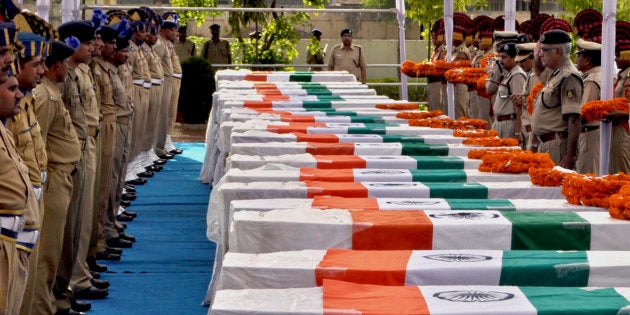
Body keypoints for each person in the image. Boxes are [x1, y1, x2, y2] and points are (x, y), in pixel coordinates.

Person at [531, 29, 583, 169]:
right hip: (548, 144)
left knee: (554, 190)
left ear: (558, 51)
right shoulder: (556, 73)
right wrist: (537, 58)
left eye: (545, 50)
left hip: (557, 145)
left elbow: (574, 119)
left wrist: (570, 155)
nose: (541, 54)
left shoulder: (569, 76)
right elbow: (539, 72)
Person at [575, 39, 602, 174]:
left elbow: (584, 112)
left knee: (588, 174)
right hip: (593, 132)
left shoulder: (591, 80)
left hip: (589, 133)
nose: (576, 59)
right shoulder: (598, 75)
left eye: (579, 56)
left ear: (587, 60)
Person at [492, 42, 527, 140]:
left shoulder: (517, 76)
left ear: (515, 58)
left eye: (504, 57)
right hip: (501, 124)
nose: (500, 61)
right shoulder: (509, 74)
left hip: (509, 125)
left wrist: (517, 132)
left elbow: (519, 106)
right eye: (500, 57)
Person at [512, 42, 537, 150]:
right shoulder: (530, 75)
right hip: (527, 130)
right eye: (518, 61)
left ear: (533, 57)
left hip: (534, 131)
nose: (520, 64)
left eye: (523, 61)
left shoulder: (538, 77)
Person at [610, 39, 630, 174]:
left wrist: (616, 112)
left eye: (618, 55)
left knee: (622, 172)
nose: (615, 59)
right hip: (616, 128)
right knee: (615, 169)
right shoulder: (621, 76)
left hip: (625, 129)